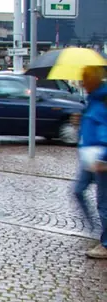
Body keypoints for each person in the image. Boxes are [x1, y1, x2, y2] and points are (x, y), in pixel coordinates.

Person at [73, 65, 107, 259]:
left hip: (100, 158)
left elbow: (104, 130)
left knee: (103, 202)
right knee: (78, 191)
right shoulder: (92, 100)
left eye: (84, 79)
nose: (81, 83)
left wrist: (103, 158)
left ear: (92, 80)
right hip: (89, 156)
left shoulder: (102, 101)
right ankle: (95, 230)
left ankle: (105, 244)